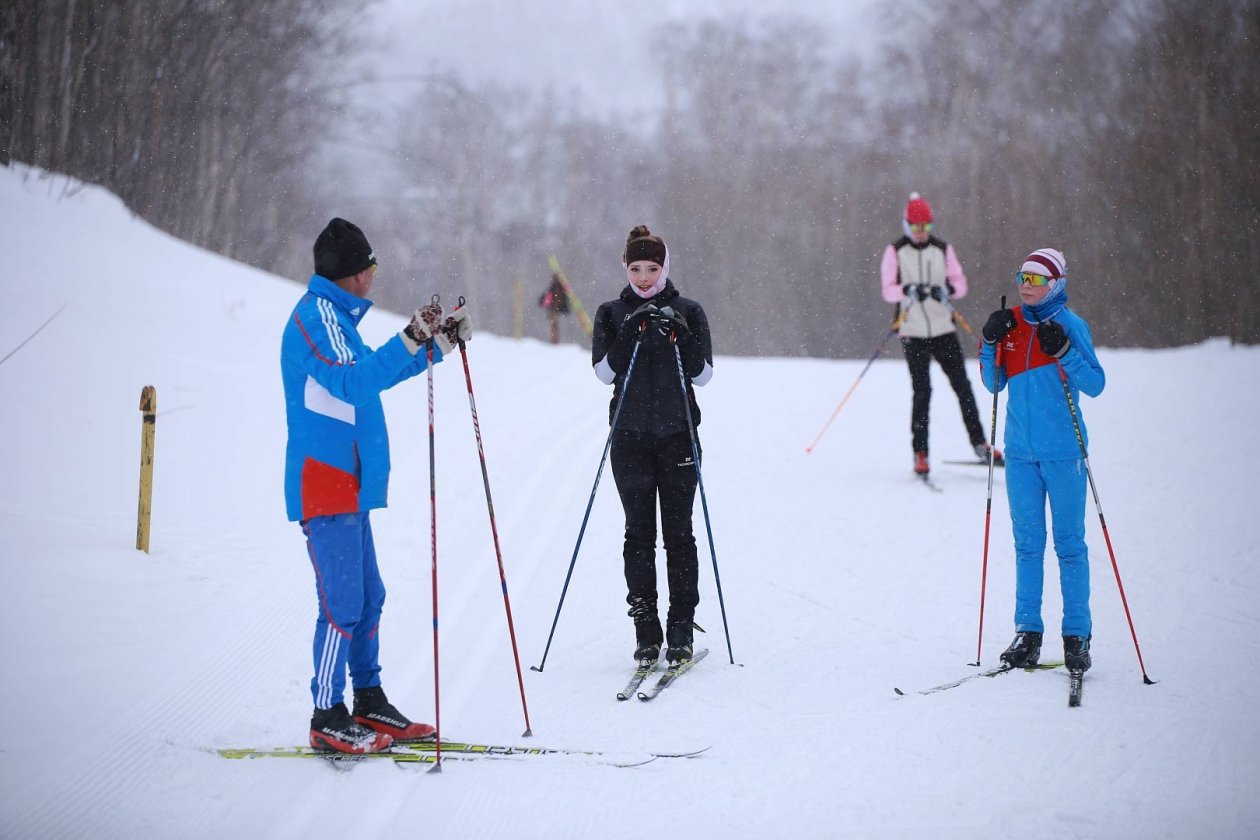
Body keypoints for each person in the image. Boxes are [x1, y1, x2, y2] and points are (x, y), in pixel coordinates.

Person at [280, 217, 472, 753]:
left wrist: (434, 347)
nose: (374, 275)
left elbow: (372, 375)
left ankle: (367, 699)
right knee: (342, 602)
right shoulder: (315, 319)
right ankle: (326, 712)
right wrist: (409, 337)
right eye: (371, 266)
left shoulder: (337, 319)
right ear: (355, 273)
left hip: (351, 481)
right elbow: (355, 381)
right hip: (326, 480)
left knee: (368, 597)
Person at [978, 247, 1105, 674]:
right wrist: (990, 341)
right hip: (1020, 455)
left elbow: (1095, 383)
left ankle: (1077, 635)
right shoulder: (1011, 324)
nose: (1026, 286)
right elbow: (993, 382)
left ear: (1056, 283)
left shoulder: (1071, 325)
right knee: (1027, 546)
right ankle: (1027, 633)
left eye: (1035, 280)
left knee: (1069, 546)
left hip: (1064, 454)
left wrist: (1065, 350)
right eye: (1022, 277)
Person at [591, 225, 713, 665]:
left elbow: (702, 375)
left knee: (679, 535)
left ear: (665, 267)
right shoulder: (610, 312)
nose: (644, 277)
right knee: (638, 535)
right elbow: (605, 373)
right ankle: (646, 630)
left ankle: (681, 626)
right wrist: (630, 331)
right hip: (629, 439)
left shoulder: (689, 309)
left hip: (679, 437)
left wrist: (679, 331)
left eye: (653, 268)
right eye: (636, 268)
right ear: (625, 267)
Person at [880, 192, 998, 476]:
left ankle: (980, 443)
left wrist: (945, 289)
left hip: (944, 329)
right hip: (912, 331)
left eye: (927, 228)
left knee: (963, 386)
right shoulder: (895, 251)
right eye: (917, 228)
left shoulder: (943, 249)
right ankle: (920, 452)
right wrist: (908, 290)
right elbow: (888, 291)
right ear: (907, 225)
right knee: (923, 391)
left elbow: (960, 284)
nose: (922, 234)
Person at [539, 272, 571, 344]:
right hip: (555, 310)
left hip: (555, 310)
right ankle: (554, 341)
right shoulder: (557, 288)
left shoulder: (555, 288)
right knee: (554, 326)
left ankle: (554, 341)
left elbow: (544, 300)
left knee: (554, 326)